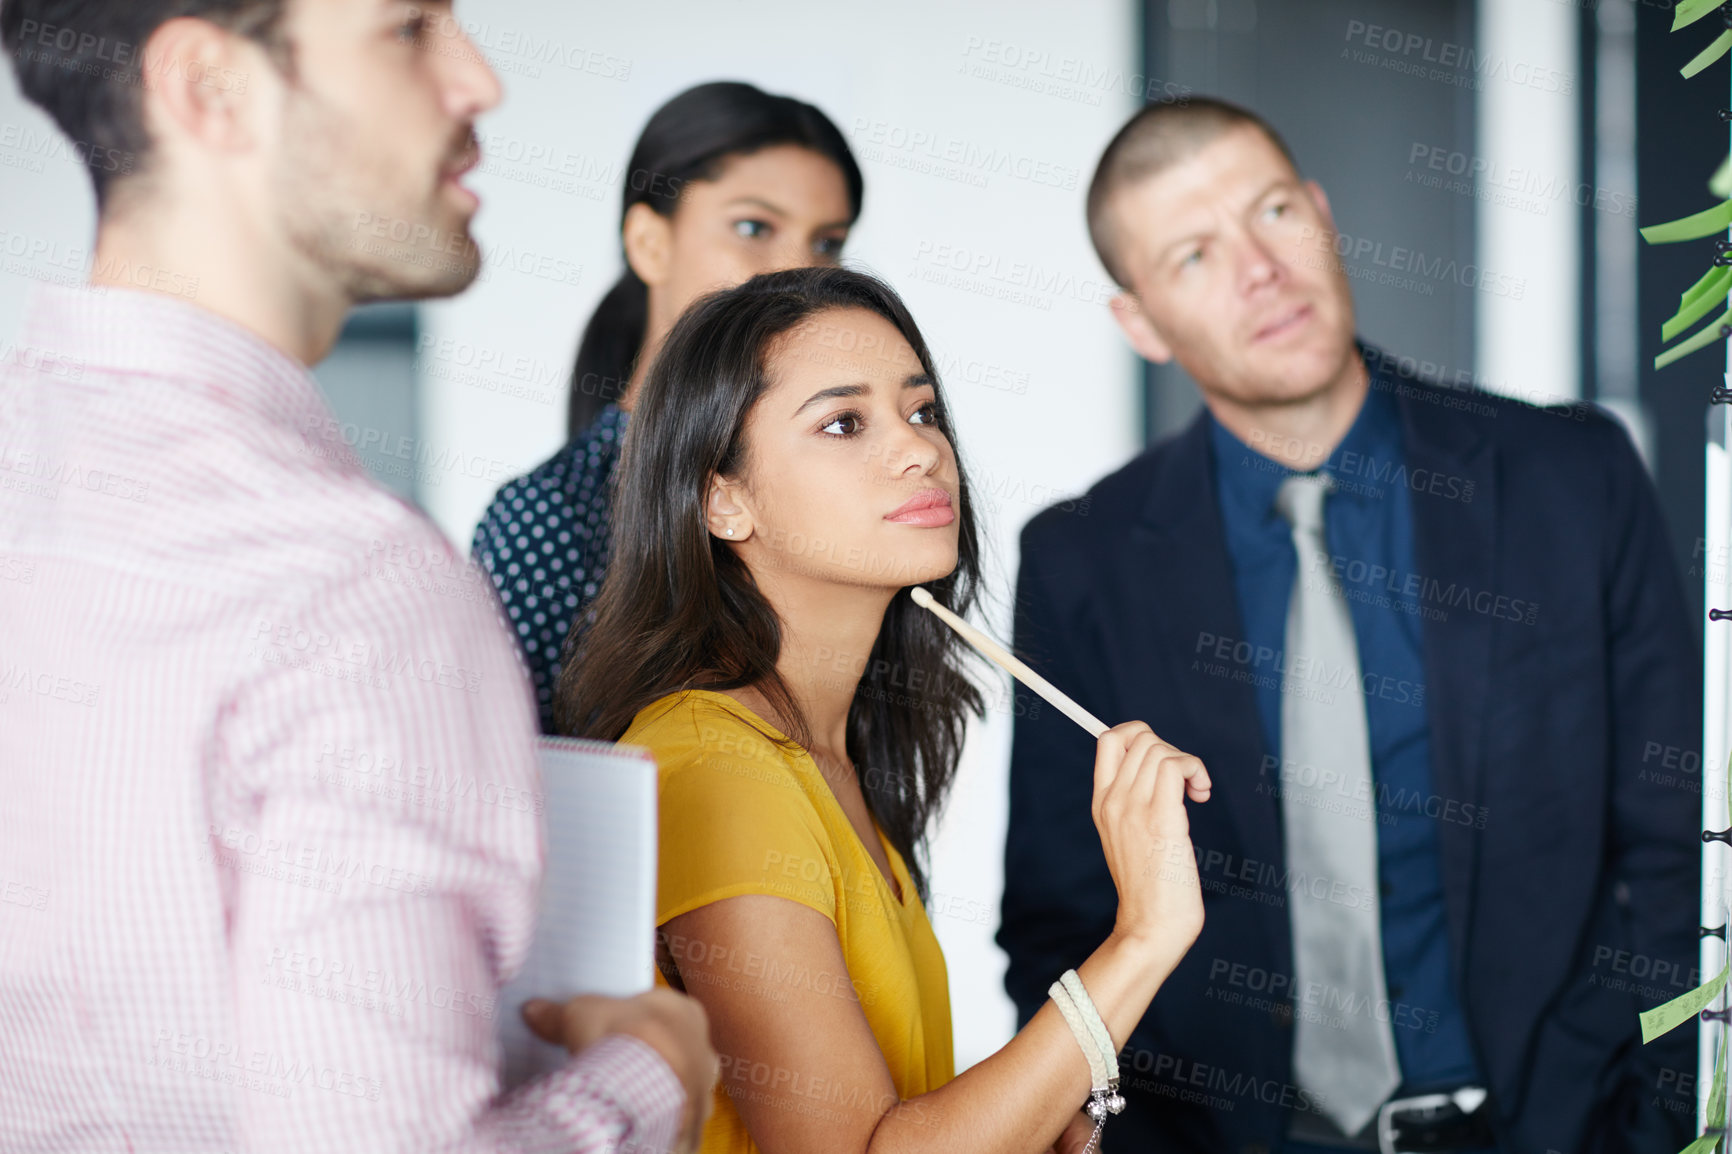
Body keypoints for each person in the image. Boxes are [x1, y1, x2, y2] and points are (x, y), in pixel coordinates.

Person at [0, 2, 715, 1151]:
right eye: (407, 29)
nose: (479, 81)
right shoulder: (348, 586)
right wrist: (651, 1073)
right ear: (208, 87)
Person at [999, 96, 1701, 1154]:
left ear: (1322, 214)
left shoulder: (1572, 476)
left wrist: (1655, 1119)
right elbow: (1058, 917)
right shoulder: (1082, 561)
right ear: (1138, 322)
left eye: (1273, 211)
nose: (1259, 269)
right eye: (1193, 255)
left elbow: (1680, 833)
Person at [556, 265, 1213, 1154]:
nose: (918, 450)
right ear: (722, 499)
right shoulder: (716, 767)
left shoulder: (831, 754)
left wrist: (1041, 1113)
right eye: (842, 422)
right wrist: (1142, 936)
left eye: (922, 410)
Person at [471, 80, 863, 733]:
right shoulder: (547, 519)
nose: (799, 272)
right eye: (752, 228)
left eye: (827, 242)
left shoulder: (837, 493)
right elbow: (502, 788)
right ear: (649, 242)